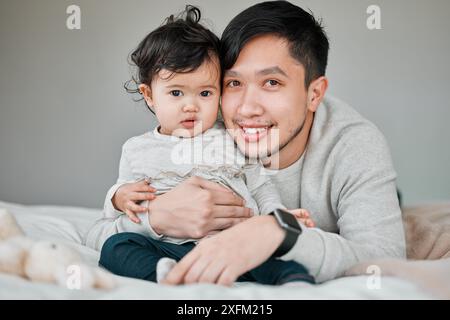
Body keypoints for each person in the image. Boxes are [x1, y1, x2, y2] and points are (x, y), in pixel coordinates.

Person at [86, 1, 406, 285]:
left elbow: (384, 261)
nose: (247, 108)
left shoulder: (354, 144)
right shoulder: (207, 122)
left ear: (314, 93)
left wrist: (280, 233)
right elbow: (100, 233)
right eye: (234, 83)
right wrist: (154, 219)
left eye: (271, 82)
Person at [93, 5, 315, 286]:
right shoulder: (138, 150)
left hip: (235, 246)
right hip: (172, 248)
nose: (191, 106)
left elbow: (260, 185)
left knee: (282, 262)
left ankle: (295, 283)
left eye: (206, 93)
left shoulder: (231, 136)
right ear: (149, 95)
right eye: (176, 92)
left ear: (220, 92)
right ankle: (169, 275)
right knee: (117, 247)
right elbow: (120, 202)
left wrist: (275, 216)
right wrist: (118, 196)